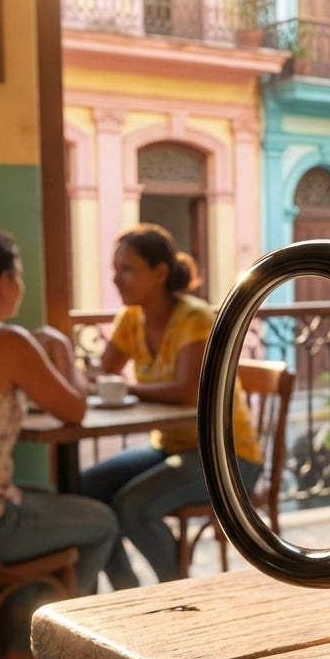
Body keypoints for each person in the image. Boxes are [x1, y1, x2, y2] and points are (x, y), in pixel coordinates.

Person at [0, 226, 118, 659]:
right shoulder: (4, 341)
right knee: (100, 521)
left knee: (48, 504)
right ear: (3, 282)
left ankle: (18, 651)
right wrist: (63, 351)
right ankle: (36, 656)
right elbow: (74, 409)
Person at [81, 224, 262, 590]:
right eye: (115, 269)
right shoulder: (131, 319)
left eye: (127, 269)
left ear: (160, 272)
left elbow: (187, 392)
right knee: (86, 488)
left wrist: (125, 389)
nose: (116, 279)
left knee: (132, 506)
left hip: (227, 455)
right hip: (171, 446)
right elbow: (103, 373)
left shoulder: (195, 317)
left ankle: (177, 595)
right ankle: (126, 591)